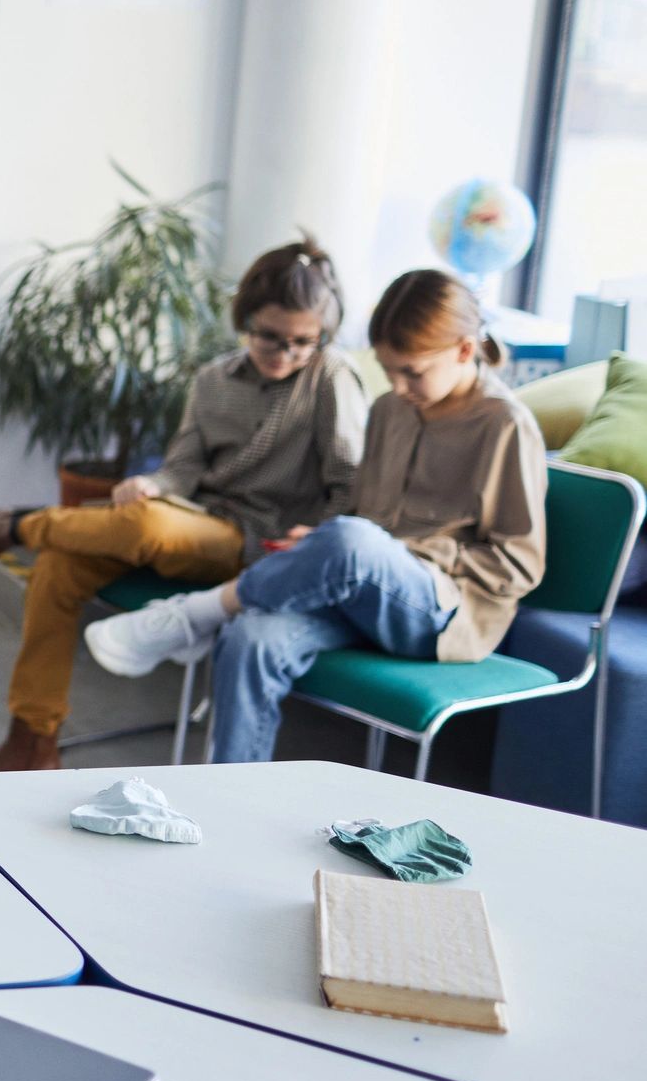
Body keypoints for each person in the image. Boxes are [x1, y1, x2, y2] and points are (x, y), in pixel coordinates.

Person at [0, 238, 368, 773]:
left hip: (261, 544)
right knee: (62, 566)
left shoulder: (331, 377)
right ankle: (32, 744)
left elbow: (350, 484)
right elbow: (182, 467)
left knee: (144, 525)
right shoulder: (213, 380)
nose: (287, 353)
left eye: (303, 341)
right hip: (194, 518)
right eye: (270, 337)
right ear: (244, 318)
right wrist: (153, 483)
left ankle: (12, 526)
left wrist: (315, 538)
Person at [84, 269, 547, 764]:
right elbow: (364, 516)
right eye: (388, 371)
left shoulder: (505, 425)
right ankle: (228, 800)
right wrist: (322, 544)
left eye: (411, 371)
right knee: (251, 637)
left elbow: (517, 564)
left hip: (442, 612)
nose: (397, 385)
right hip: (364, 592)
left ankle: (196, 613)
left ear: (463, 349)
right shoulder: (392, 408)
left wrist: (374, 549)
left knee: (351, 541)